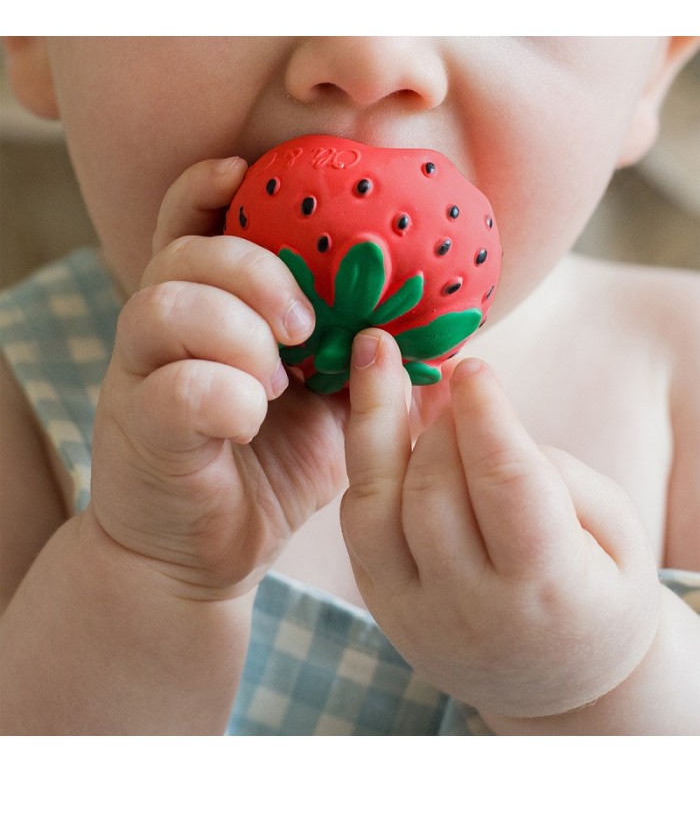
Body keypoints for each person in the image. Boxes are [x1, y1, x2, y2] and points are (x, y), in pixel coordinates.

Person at [0, 37, 698, 735]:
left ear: (654, 69)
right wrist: (150, 570)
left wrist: (609, 678)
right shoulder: (21, 401)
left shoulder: (679, 377)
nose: (371, 57)